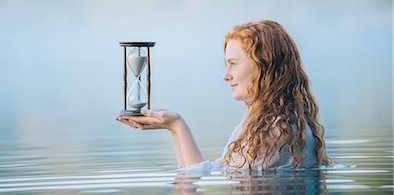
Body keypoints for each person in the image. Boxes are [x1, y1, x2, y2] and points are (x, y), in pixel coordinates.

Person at [116, 20, 331, 172]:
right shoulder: (262, 125)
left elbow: (195, 181)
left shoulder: (277, 131)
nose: (225, 76)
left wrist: (178, 126)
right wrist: (174, 128)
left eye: (233, 64)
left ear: (263, 67)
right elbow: (208, 172)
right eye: (226, 65)